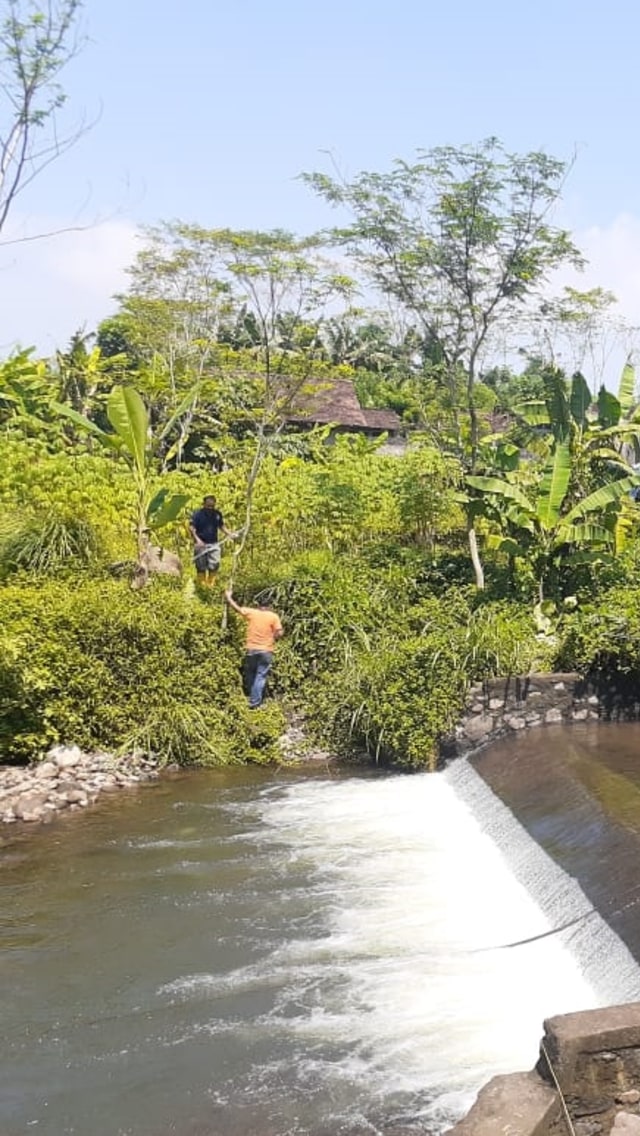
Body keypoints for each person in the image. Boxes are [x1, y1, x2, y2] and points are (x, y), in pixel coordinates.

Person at [224, 589, 283, 709]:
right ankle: (255, 702)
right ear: (270, 606)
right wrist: (274, 637)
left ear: (258, 605)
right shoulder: (273, 616)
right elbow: (279, 632)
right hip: (266, 650)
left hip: (251, 649)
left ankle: (252, 697)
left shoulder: (252, 613)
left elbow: (237, 609)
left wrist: (229, 597)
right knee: (260, 676)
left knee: (250, 673)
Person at [188, 495, 234, 588]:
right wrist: (198, 540)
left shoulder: (217, 514)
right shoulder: (197, 514)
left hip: (214, 543)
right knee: (201, 566)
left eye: (212, 506)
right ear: (204, 504)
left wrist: (229, 534)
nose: (210, 508)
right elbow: (192, 528)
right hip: (200, 544)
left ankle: (210, 586)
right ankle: (201, 586)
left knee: (214, 564)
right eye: (208, 506)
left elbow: (221, 526)